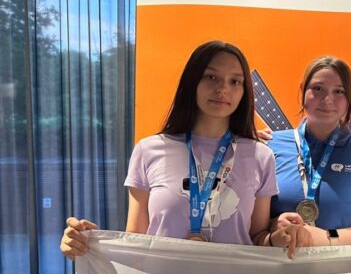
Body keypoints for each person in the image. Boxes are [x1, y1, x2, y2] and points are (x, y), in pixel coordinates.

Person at [60, 40, 278, 257]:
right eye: (211, 77)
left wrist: (277, 238)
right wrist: (87, 244)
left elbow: (257, 239)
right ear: (192, 81)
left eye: (235, 81)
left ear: (244, 91)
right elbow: (136, 238)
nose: (222, 89)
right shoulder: (149, 150)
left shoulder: (260, 156)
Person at [267, 56, 351, 258]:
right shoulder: (270, 145)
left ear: (349, 98)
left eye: (339, 91)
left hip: (344, 270)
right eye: (318, 88)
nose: (327, 99)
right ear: (302, 91)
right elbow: (245, 221)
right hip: (281, 267)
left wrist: (328, 237)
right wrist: (274, 224)